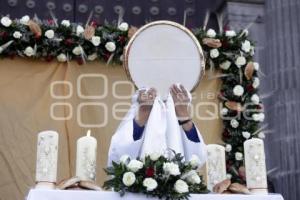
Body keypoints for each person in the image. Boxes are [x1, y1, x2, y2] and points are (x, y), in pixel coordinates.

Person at [107, 84, 207, 167]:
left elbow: (198, 158)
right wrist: (143, 113)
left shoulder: (179, 119)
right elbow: (119, 154)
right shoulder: (135, 120)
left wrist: (183, 115)